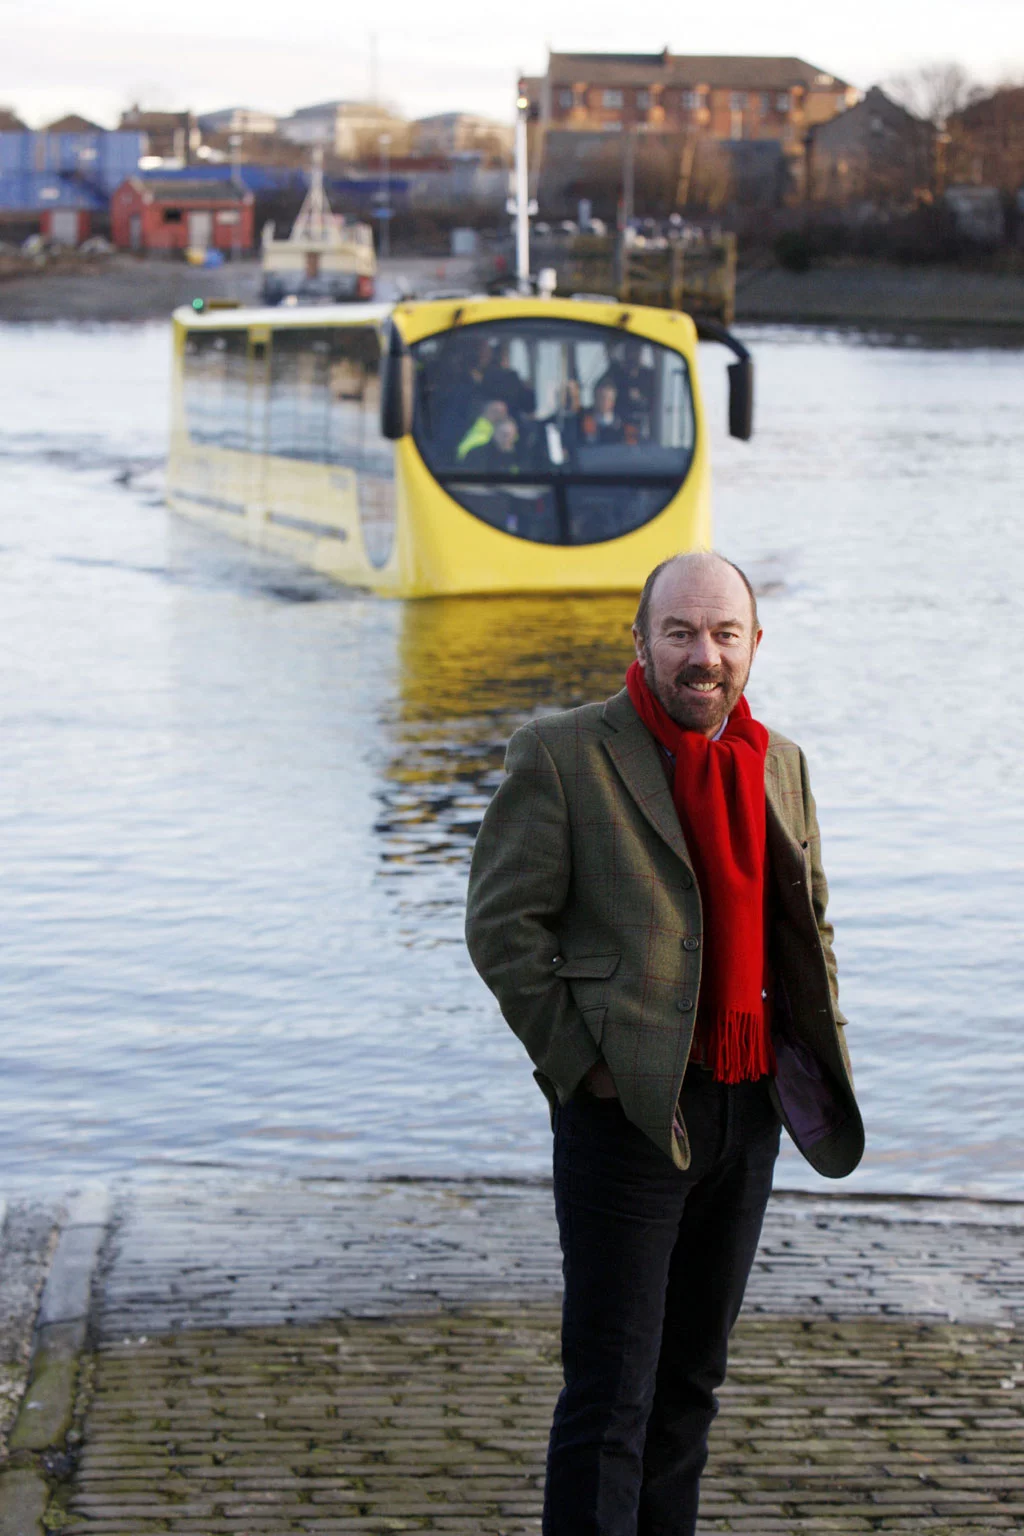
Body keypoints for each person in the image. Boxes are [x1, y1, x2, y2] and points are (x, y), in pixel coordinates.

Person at [465, 551, 864, 1536]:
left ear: (753, 646)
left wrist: (800, 1057)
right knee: (609, 1397)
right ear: (638, 641)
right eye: (680, 632)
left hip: (747, 1106)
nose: (704, 655)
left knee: (690, 1385)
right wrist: (580, 1063)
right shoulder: (563, 753)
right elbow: (503, 926)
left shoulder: (780, 763)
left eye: (724, 635)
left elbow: (805, 927)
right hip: (627, 1111)